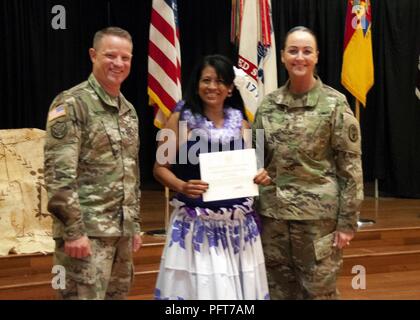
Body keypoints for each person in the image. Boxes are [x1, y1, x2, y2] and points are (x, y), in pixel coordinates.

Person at [252, 26, 364, 299]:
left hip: (318, 224)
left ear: (316, 56)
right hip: (275, 221)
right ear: (282, 56)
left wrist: (347, 223)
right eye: (293, 51)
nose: (299, 57)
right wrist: (257, 175)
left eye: (306, 51)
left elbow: (350, 168)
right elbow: (254, 158)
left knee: (319, 294)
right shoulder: (268, 105)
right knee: (278, 294)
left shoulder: (335, 104)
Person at [153, 54, 271, 300]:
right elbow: (159, 168)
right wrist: (181, 186)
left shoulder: (245, 124)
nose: (212, 87)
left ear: (229, 88)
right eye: (206, 80)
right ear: (197, 84)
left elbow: (259, 168)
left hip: (238, 226)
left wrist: (262, 176)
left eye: (220, 81)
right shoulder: (178, 119)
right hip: (196, 226)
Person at [44, 27, 142, 300]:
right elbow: (58, 174)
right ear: (93, 55)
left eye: (125, 57)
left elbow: (131, 172)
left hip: (121, 235)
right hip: (86, 237)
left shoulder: (128, 110)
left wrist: (134, 225)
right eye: (110, 55)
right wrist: (73, 232)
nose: (118, 64)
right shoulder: (72, 103)